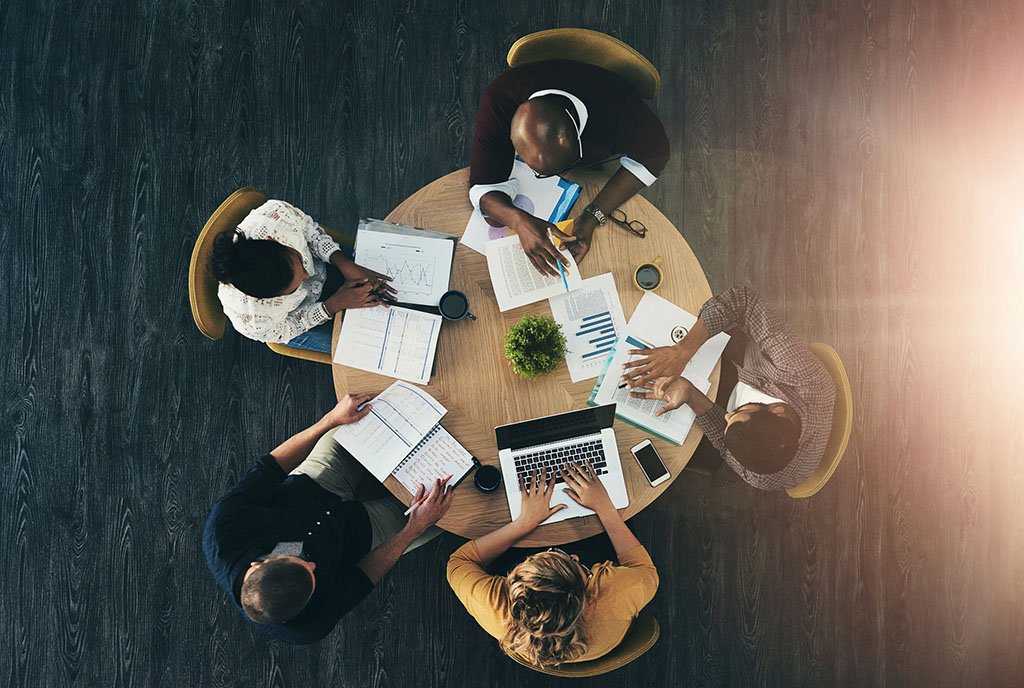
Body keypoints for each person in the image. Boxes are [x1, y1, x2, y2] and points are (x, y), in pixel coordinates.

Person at [202, 394, 453, 644]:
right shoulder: (309, 625)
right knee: (450, 510)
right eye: (313, 575)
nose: (313, 565)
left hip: (317, 483)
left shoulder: (224, 531)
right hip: (356, 534)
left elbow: (272, 466)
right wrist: (413, 529)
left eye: (301, 562)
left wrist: (330, 420)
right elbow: (363, 575)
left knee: (371, 409)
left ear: (257, 565)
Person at [621, 286, 836, 490]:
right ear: (777, 410)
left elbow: (725, 447)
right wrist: (682, 351)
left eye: (730, 420)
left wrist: (691, 395)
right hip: (744, 364)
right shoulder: (802, 374)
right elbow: (744, 301)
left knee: (664, 450)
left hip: (717, 403)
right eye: (738, 413)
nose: (726, 416)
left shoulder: (763, 476)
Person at [447, 462, 658, 668]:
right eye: (574, 563)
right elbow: (644, 568)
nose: (574, 556)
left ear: (514, 579)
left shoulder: (494, 607)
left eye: (554, 553)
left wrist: (524, 523)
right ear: (586, 596)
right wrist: (606, 508)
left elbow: (459, 561)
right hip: (601, 641)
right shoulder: (617, 593)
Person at [470, 60, 670, 276]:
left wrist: (592, 216)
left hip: (606, 94)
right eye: (540, 173)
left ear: (578, 138)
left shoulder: (623, 115)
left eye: (564, 168)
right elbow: (482, 187)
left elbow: (656, 157)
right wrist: (518, 221)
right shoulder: (499, 98)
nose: (562, 177)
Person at [211, 199, 396, 352]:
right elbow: (289, 327)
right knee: (374, 348)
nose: (308, 275)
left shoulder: (274, 218)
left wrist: (344, 262)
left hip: (326, 261)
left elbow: (310, 231)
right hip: (300, 317)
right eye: (294, 286)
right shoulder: (253, 319)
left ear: (273, 240)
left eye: (299, 260)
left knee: (387, 273)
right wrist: (333, 305)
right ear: (263, 299)